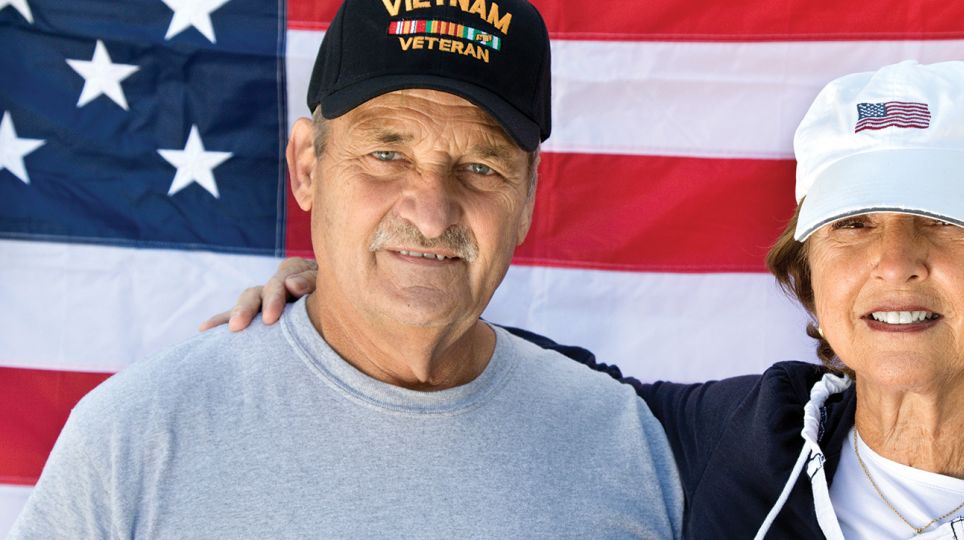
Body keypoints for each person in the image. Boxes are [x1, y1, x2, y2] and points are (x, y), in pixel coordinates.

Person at [205, 60, 964, 538]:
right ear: (810, 276)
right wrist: (343, 298)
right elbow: (497, 368)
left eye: (944, 223)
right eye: (853, 226)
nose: (896, 262)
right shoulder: (736, 439)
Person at [9, 0, 684, 537]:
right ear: (307, 166)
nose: (429, 212)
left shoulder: (623, 440)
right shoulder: (139, 436)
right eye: (386, 155)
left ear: (528, 198)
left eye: (480, 167)